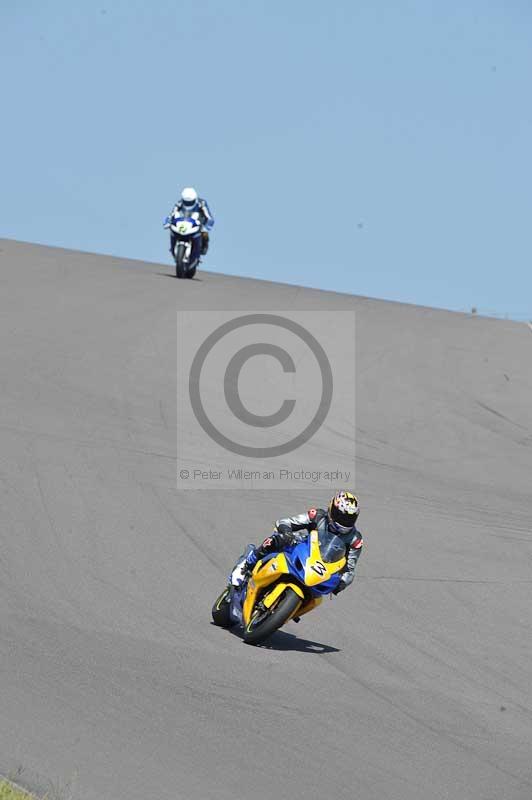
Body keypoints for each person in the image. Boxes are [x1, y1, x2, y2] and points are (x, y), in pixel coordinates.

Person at [230, 491, 364, 596]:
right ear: (331, 509)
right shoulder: (317, 516)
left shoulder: (355, 540)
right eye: (340, 515)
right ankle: (247, 563)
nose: (343, 521)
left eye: (348, 518)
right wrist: (286, 532)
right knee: (278, 539)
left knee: (327, 587)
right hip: (303, 548)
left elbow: (350, 569)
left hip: (321, 568)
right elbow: (285, 522)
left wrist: (342, 583)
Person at [164, 187, 214, 258]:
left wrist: (206, 227)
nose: (188, 204)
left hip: (198, 223)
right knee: (172, 230)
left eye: (190, 202)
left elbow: (209, 217)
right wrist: (167, 222)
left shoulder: (202, 203)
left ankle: (204, 246)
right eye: (186, 202)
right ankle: (173, 246)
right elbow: (171, 215)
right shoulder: (179, 203)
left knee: (205, 233)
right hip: (185, 223)